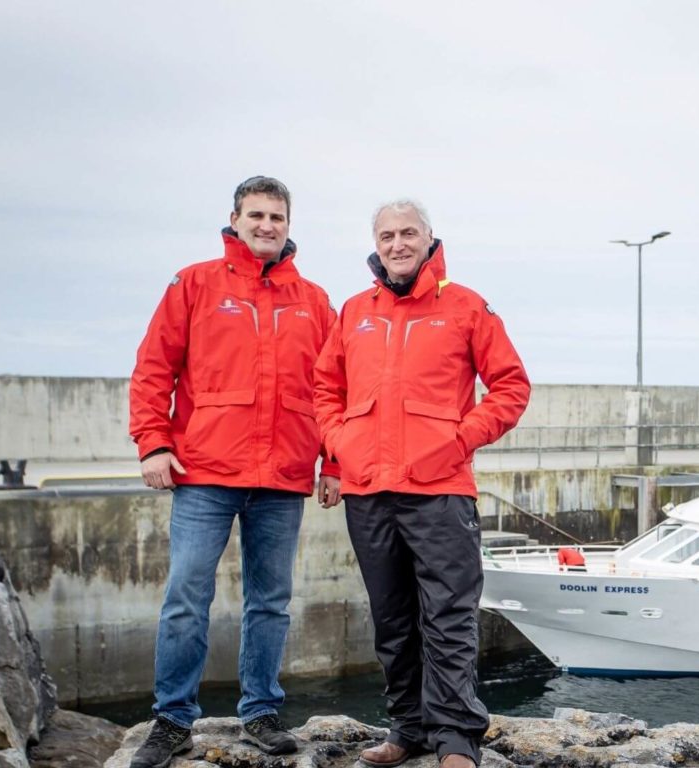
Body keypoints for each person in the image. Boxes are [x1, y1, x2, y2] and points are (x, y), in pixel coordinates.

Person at [127, 177, 340, 768]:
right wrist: (152, 443)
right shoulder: (194, 283)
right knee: (185, 596)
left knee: (270, 600)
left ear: (289, 224)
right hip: (205, 471)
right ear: (235, 219)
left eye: (277, 216)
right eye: (256, 214)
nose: (266, 225)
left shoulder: (315, 300)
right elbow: (153, 369)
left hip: (284, 476)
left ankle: (262, 710)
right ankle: (172, 720)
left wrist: (334, 461)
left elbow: (334, 390)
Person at [314, 199, 530, 768]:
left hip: (440, 489)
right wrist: (339, 444)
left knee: (449, 619)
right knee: (392, 619)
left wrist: (459, 440)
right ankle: (407, 729)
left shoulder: (465, 306)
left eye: (408, 232)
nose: (397, 243)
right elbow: (323, 390)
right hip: (368, 490)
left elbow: (510, 388)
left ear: (430, 238)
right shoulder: (355, 311)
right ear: (376, 243)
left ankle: (456, 739)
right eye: (387, 235)